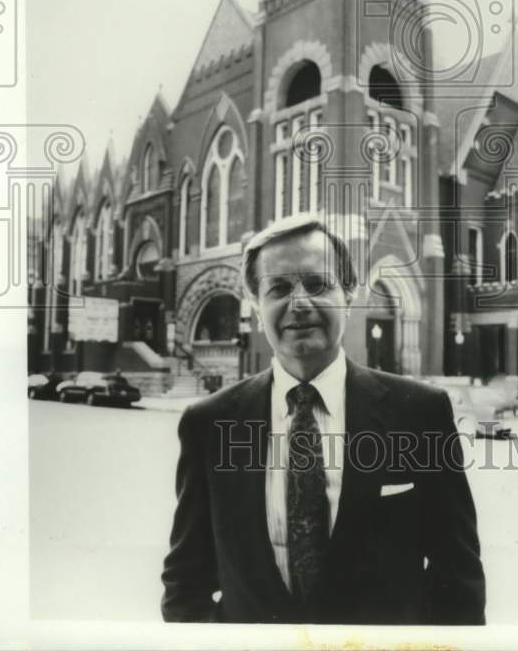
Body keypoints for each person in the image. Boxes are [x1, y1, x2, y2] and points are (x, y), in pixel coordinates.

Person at [161, 213, 486, 625]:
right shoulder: (209, 423)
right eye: (278, 288)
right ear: (257, 311)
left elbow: (458, 578)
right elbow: (185, 579)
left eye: (317, 284)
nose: (299, 303)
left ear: (350, 296)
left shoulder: (420, 413)